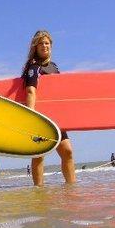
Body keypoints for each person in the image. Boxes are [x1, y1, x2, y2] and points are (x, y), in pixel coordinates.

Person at [23, 30, 76, 186]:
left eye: (47, 43)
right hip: (41, 118)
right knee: (39, 154)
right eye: (41, 43)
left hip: (57, 117)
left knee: (67, 151)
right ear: (36, 47)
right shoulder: (34, 67)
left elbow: (59, 93)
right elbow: (30, 91)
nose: (44, 46)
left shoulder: (54, 67)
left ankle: (71, 187)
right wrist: (31, 117)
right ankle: (39, 191)